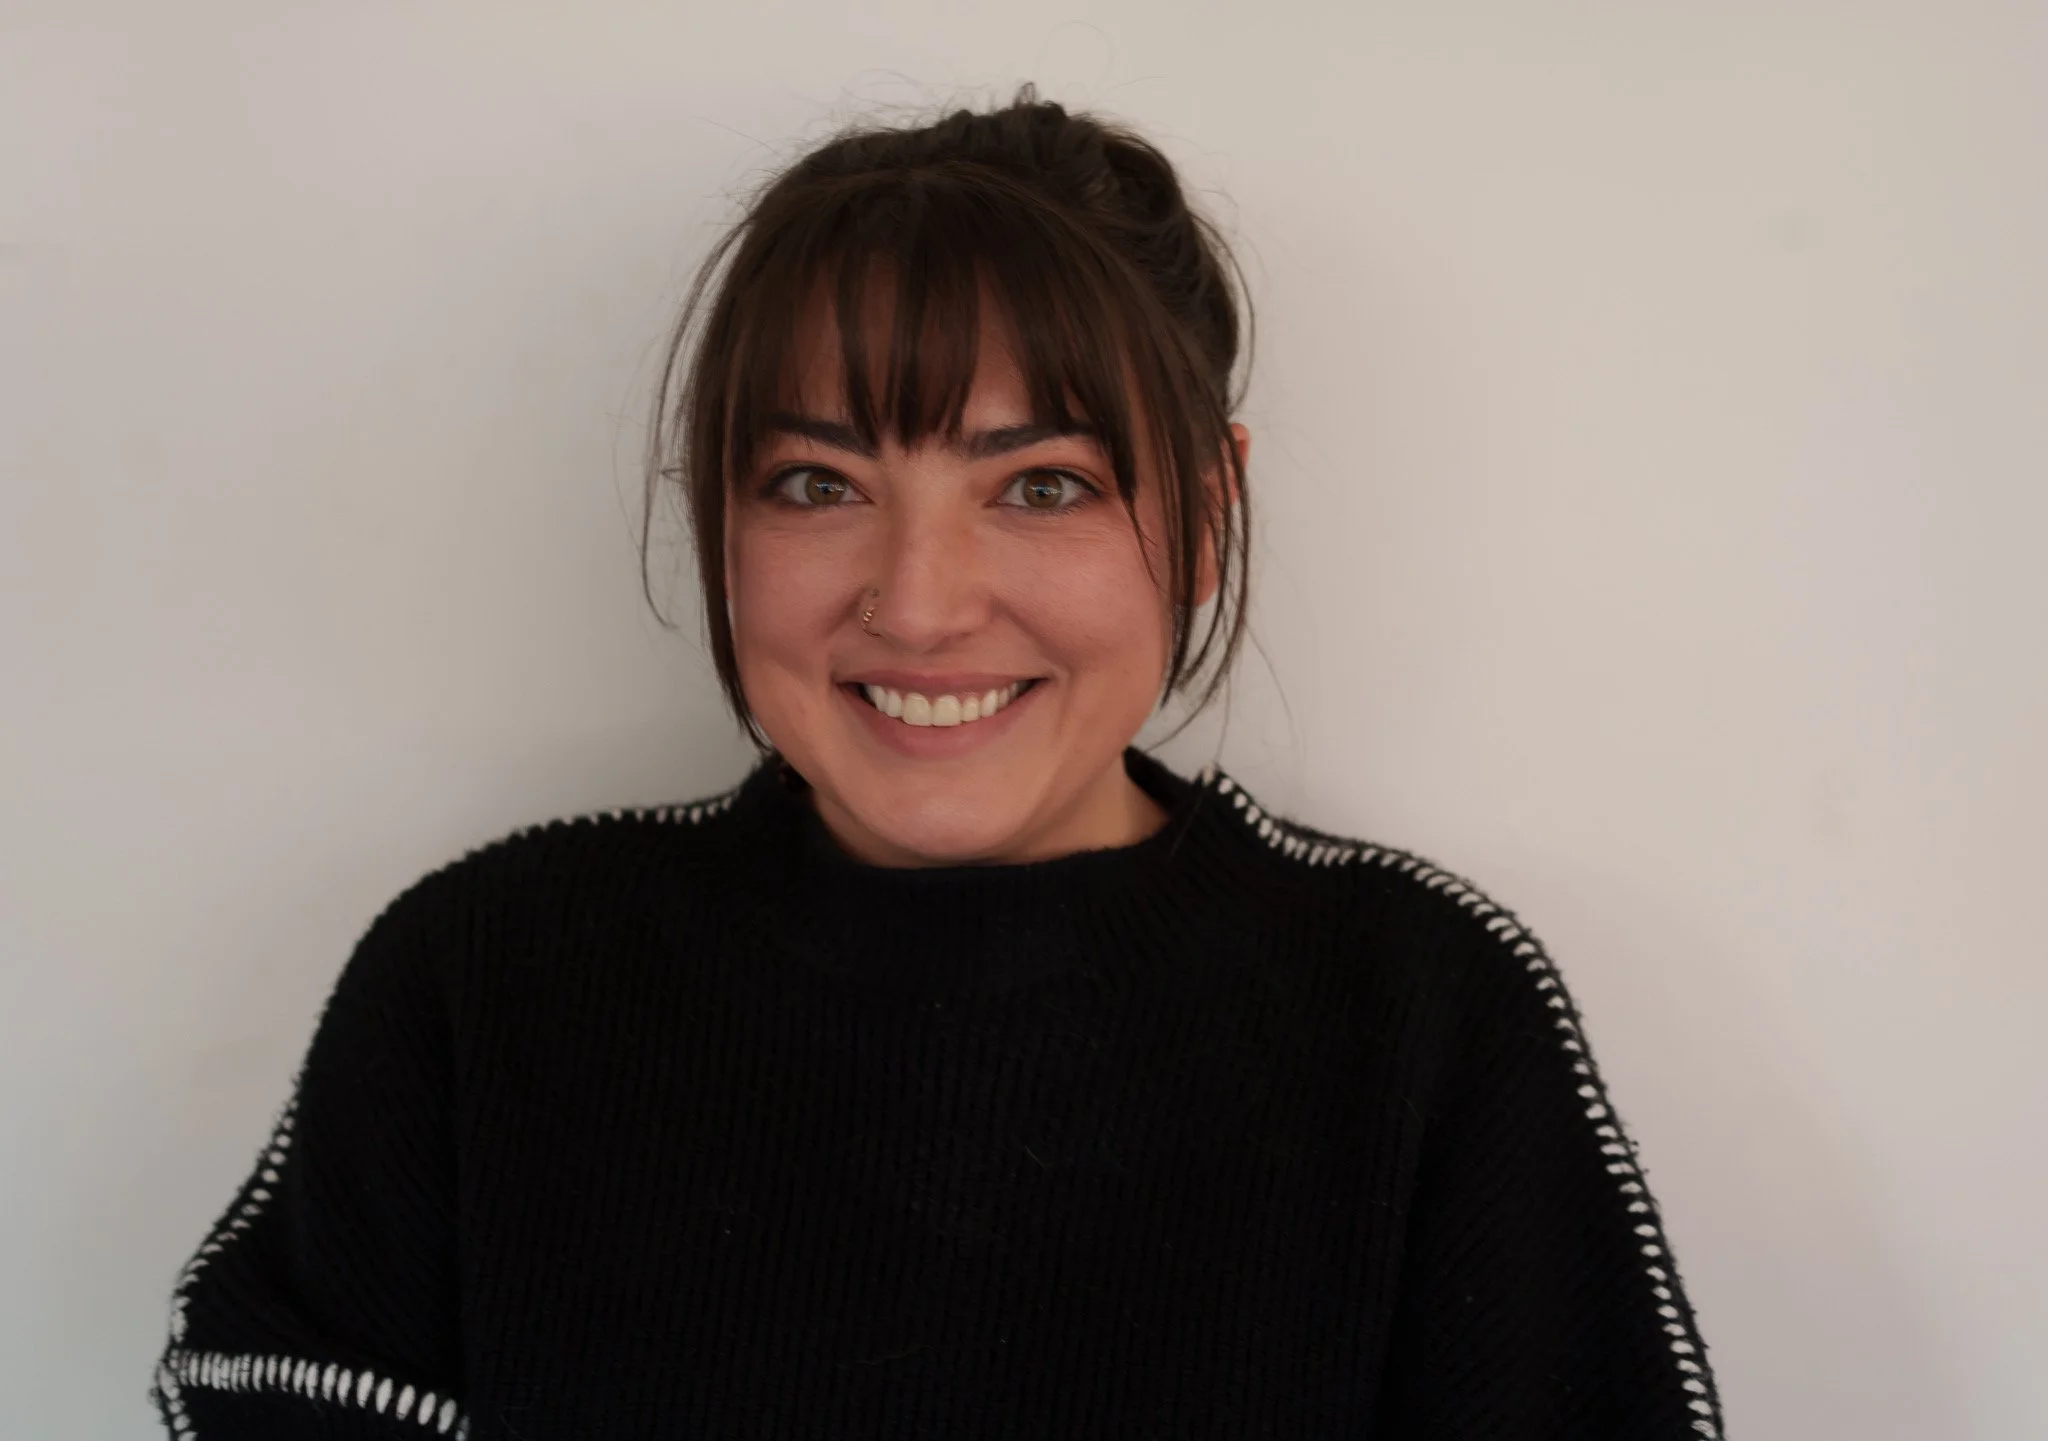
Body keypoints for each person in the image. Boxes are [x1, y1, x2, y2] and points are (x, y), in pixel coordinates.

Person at [152, 89, 1722, 1439]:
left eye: (1041, 486)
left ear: (1207, 511)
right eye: (816, 482)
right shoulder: (485, 974)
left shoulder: (1419, 1014)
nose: (917, 605)